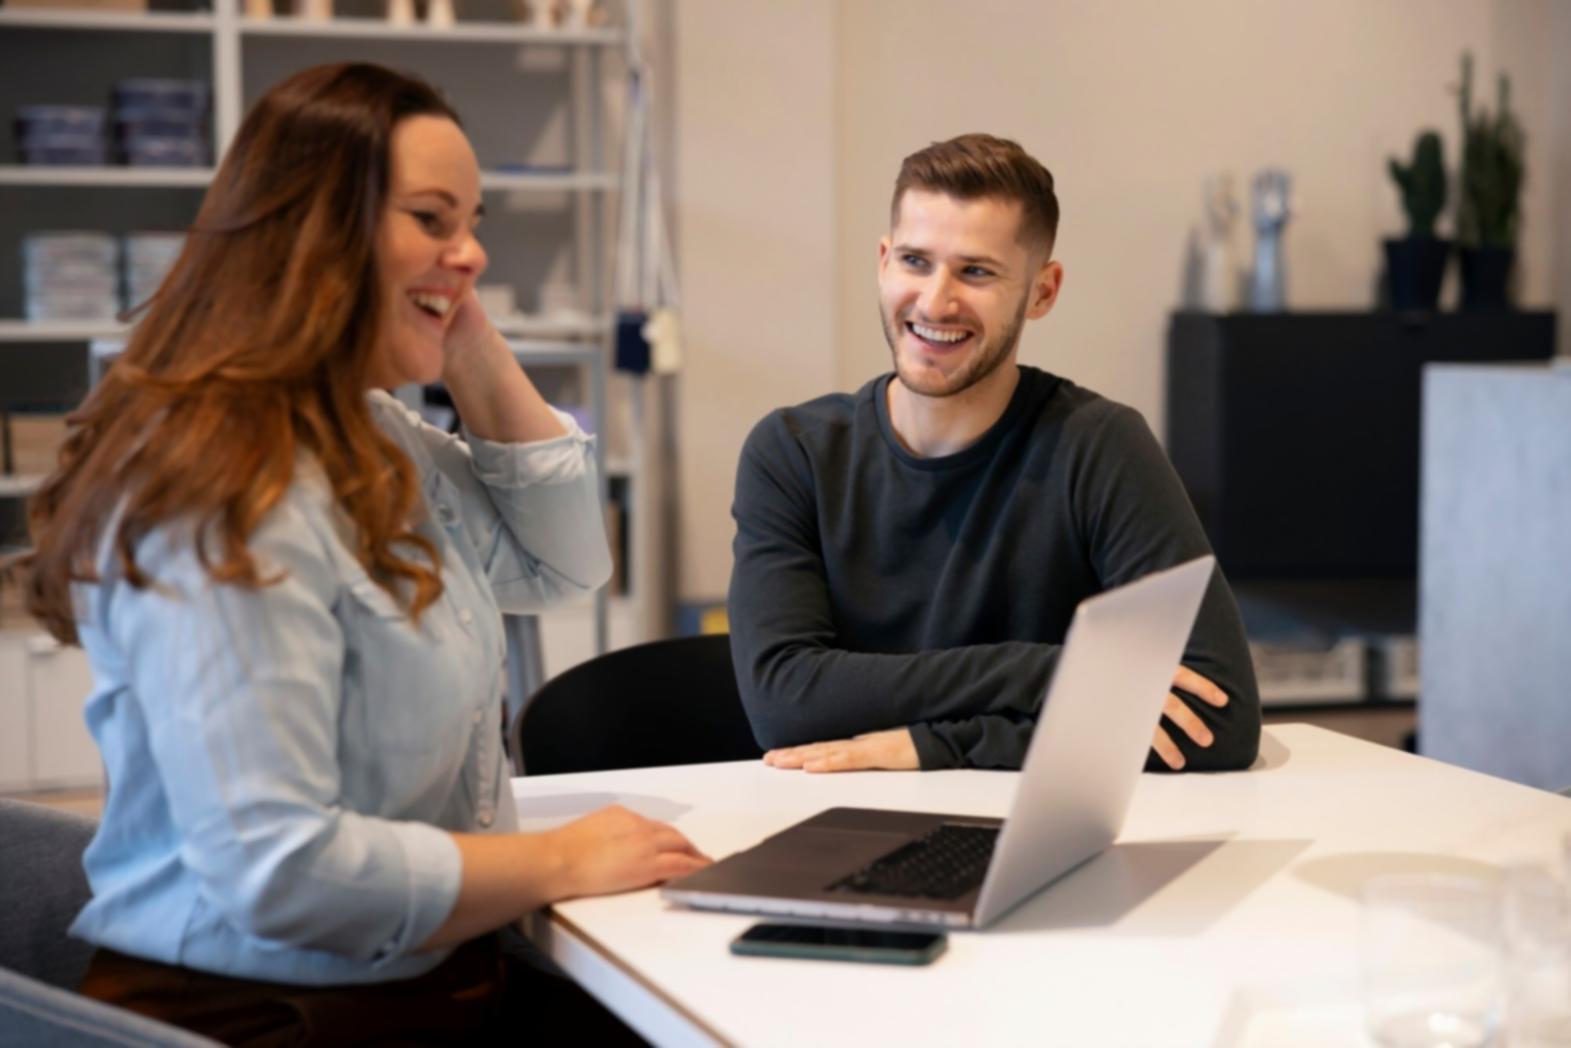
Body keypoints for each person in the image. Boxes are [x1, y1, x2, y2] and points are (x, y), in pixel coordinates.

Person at [14, 62, 707, 1044]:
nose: (467, 252)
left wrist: (459, 330)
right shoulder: (223, 487)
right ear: (314, 231)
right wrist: (559, 861)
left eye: (471, 224)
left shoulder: (372, 431)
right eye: (432, 219)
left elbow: (562, 565)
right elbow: (279, 871)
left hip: (420, 971)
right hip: (261, 1009)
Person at [727, 133, 1261, 775]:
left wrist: (941, 745)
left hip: (1039, 834)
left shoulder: (1099, 445)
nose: (934, 301)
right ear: (882, 260)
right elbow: (785, 705)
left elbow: (1218, 722)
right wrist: (1052, 673)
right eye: (915, 262)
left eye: (975, 271)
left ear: (1043, 291)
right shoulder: (793, 454)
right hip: (833, 816)